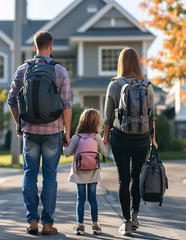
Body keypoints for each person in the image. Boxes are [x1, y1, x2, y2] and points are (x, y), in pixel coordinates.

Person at [7, 31, 72, 235]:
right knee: (50, 178)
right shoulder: (60, 71)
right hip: (53, 131)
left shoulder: (23, 69)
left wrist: (19, 123)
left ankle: (32, 221)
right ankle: (47, 224)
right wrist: (67, 133)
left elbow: (11, 99)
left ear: (35, 46)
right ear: (50, 47)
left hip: (30, 131)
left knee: (29, 175)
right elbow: (67, 106)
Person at [102, 47, 158, 236]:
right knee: (136, 177)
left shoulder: (114, 85)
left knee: (123, 178)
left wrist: (105, 138)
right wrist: (153, 139)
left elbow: (107, 117)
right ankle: (135, 216)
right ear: (137, 62)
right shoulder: (147, 85)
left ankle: (125, 222)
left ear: (121, 63)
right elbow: (153, 116)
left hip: (120, 137)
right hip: (142, 138)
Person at [63, 108, 109, 236]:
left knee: (80, 199)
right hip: (93, 173)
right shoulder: (97, 137)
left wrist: (64, 143)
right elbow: (105, 153)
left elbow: (66, 153)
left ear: (82, 122)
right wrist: (107, 141)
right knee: (92, 199)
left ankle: (79, 225)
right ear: (96, 123)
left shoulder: (77, 137)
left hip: (79, 173)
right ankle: (95, 225)